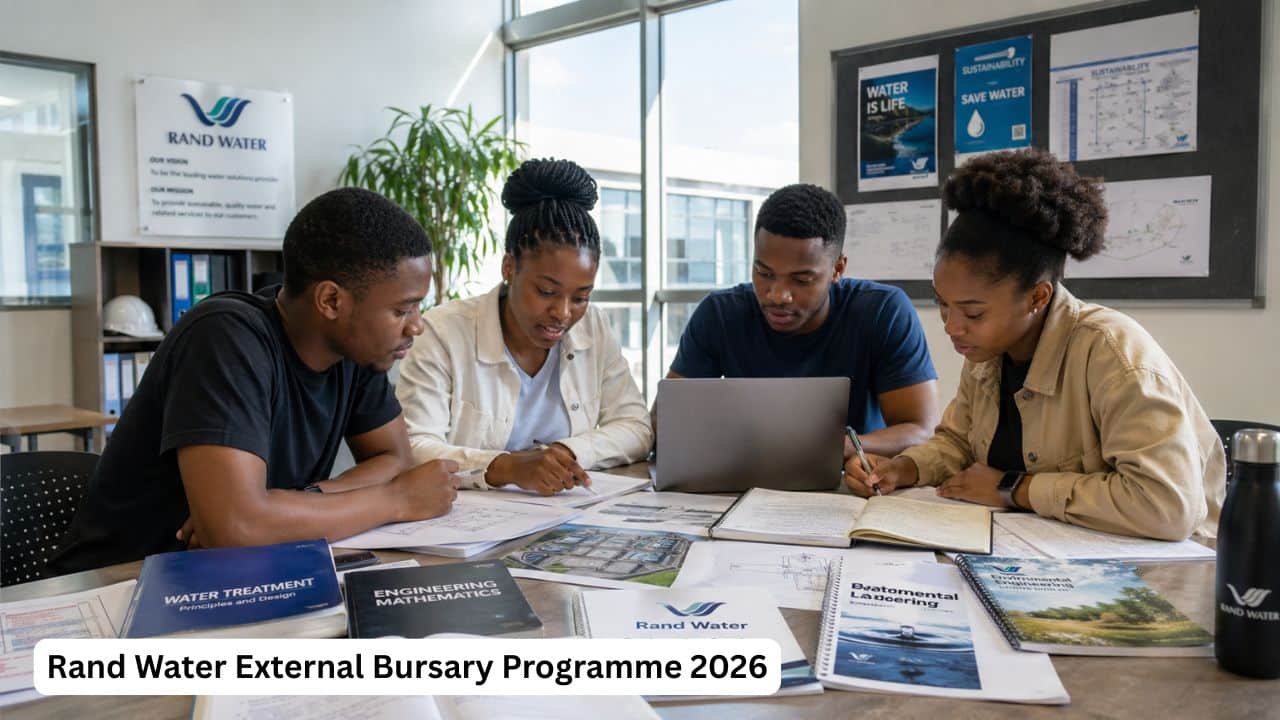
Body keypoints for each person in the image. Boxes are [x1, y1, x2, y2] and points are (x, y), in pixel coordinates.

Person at [49, 188, 460, 574]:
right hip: (123, 585)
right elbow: (234, 531)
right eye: (402, 310)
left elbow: (394, 461)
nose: (416, 327)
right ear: (332, 301)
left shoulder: (357, 350)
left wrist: (288, 506)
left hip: (236, 576)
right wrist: (397, 500)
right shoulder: (225, 336)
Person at [845, 148, 1225, 541]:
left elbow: (1166, 506)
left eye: (973, 313)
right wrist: (903, 468)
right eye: (943, 305)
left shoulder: (1113, 353)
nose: (952, 327)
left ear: (1038, 298)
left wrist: (1014, 488)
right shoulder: (986, 354)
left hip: (1166, 570)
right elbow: (958, 443)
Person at [395, 158, 653, 496]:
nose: (562, 313)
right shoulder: (443, 332)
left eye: (580, 297)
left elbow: (636, 427)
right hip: (471, 525)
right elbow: (413, 446)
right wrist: (506, 467)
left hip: (565, 518)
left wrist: (566, 453)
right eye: (546, 291)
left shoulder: (594, 327)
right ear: (509, 268)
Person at [665, 183, 940, 462]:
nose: (778, 295)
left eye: (801, 280)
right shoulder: (719, 314)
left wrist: (835, 448)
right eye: (764, 273)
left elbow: (921, 431)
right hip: (740, 480)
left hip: (850, 484)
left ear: (837, 269)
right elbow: (666, 421)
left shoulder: (883, 311)